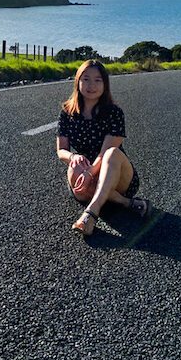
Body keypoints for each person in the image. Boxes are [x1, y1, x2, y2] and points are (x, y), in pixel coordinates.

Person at [56, 59, 151, 236]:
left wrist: (90, 172)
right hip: (85, 174)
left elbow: (105, 151)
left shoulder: (114, 112)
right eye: (86, 79)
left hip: (114, 171)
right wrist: (72, 157)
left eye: (98, 80)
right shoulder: (67, 112)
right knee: (75, 164)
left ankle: (91, 213)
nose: (91, 85)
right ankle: (125, 203)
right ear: (78, 82)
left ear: (105, 84)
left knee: (111, 153)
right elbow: (61, 150)